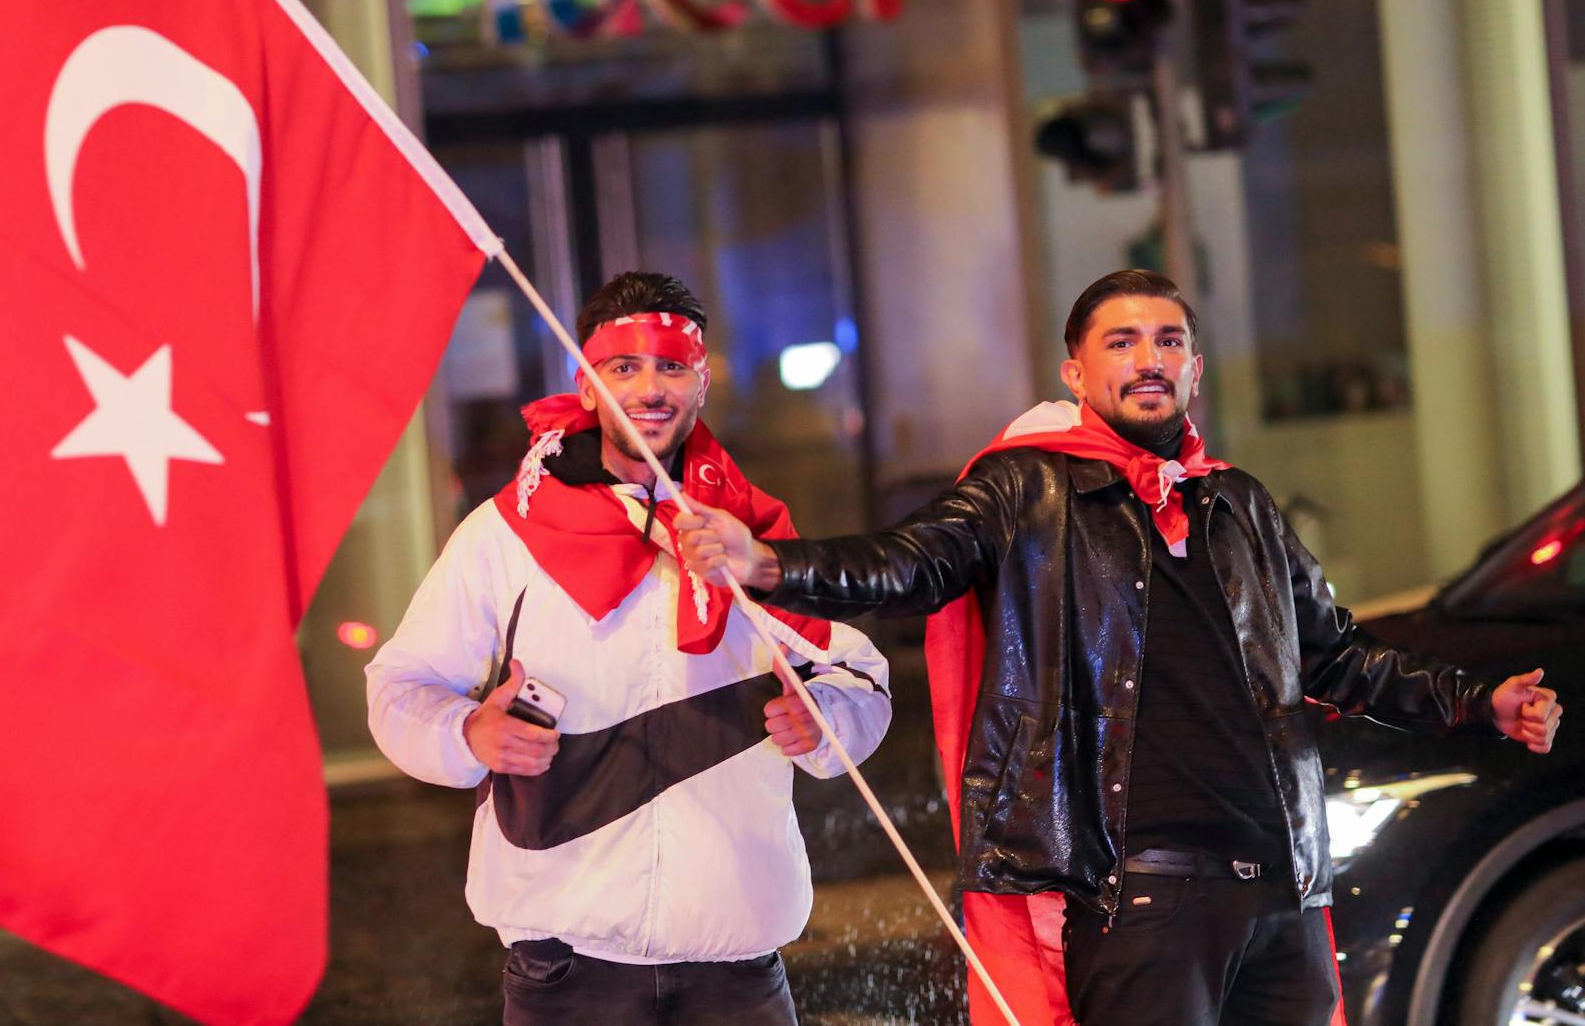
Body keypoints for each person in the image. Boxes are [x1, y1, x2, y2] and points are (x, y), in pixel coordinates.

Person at [674, 268, 1562, 1026]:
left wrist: (1476, 702)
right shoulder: (1026, 486)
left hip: (1282, 891)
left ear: (1195, 368)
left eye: (1168, 340)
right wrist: (769, 563)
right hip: (1139, 891)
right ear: (1076, 370)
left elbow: (1336, 657)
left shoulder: (1239, 503)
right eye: (1123, 342)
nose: (1149, 359)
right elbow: (911, 562)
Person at [366, 271, 893, 1026]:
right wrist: (464, 731)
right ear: (586, 385)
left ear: (701, 384)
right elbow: (399, 682)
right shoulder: (507, 533)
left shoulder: (748, 534)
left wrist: (827, 720)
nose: (650, 387)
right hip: (568, 968)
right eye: (625, 367)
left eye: (672, 367)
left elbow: (859, 675)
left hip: (737, 969)